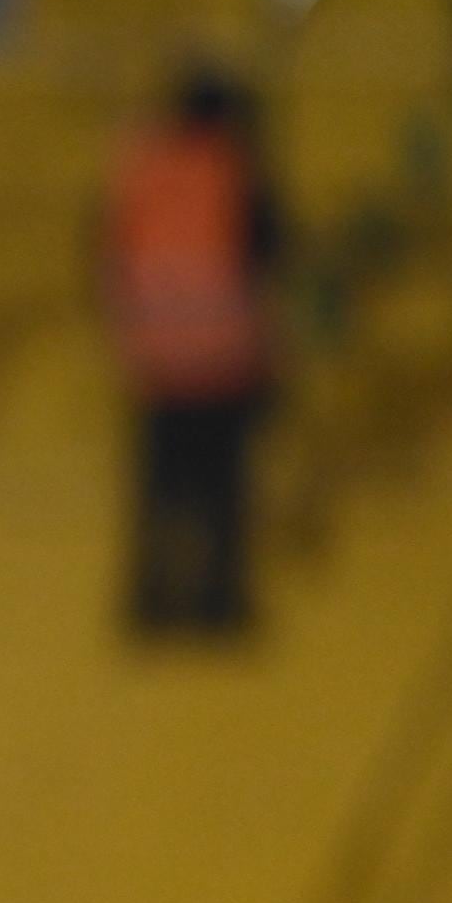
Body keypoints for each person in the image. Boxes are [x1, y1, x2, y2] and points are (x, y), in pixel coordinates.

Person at [103, 68, 276, 633]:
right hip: (224, 358)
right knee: (221, 491)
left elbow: (107, 247)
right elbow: (269, 249)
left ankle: (152, 599)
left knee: (159, 490)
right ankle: (217, 602)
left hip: (156, 356)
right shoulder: (234, 167)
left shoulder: (140, 162)